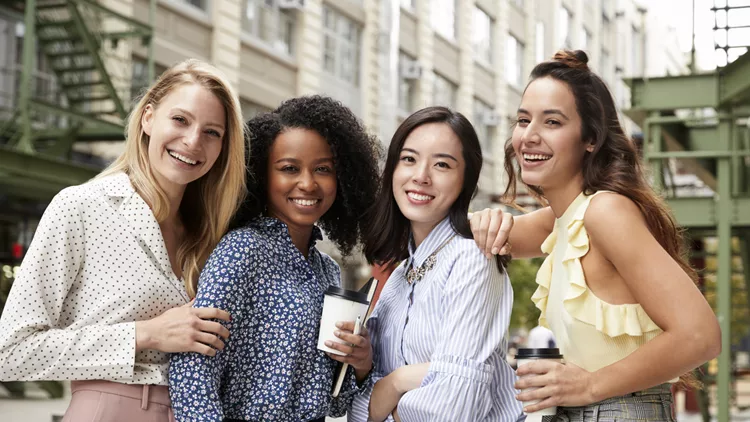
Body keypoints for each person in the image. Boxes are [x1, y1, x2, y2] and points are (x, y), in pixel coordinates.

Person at [476, 50, 721, 421]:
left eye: (552, 122)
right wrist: (479, 215)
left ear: (590, 138)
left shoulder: (605, 212)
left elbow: (700, 335)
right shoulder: (564, 219)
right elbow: (474, 232)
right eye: (523, 120)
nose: (529, 136)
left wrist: (588, 386)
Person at [0, 59, 247, 421]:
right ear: (148, 118)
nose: (193, 141)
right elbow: (10, 353)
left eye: (213, 132)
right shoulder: (81, 207)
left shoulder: (212, 236)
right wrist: (145, 334)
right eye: (180, 120)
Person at [168, 96, 381, 422]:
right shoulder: (241, 252)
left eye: (323, 169)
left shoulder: (327, 270)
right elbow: (192, 370)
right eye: (289, 169)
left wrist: (359, 362)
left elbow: (336, 404)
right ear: (261, 176)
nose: (308, 183)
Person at [349, 106, 524, 422]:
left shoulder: (473, 257)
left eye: (442, 164)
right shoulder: (400, 276)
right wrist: (373, 377)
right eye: (409, 159)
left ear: (465, 179)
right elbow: (358, 405)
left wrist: (393, 383)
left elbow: (451, 409)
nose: (421, 176)